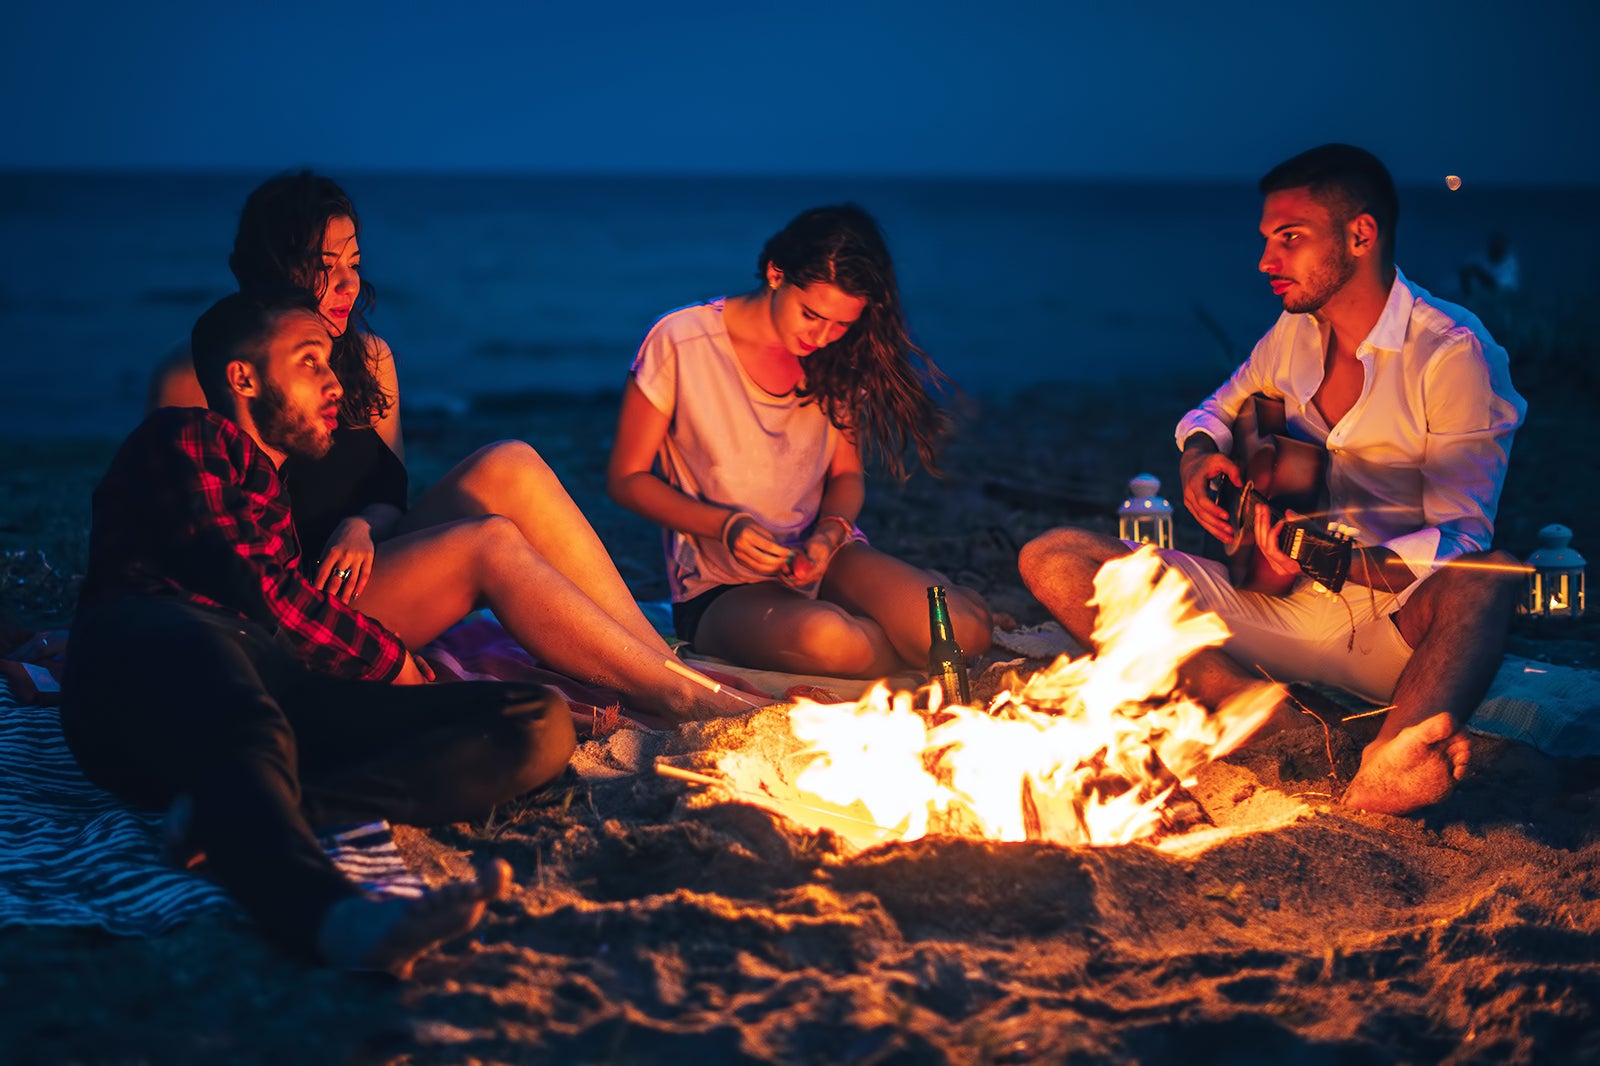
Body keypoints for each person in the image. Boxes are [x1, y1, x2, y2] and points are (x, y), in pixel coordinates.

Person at [62, 290, 578, 975]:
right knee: (245, 703)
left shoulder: (273, 501)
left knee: (533, 723)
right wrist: (394, 661)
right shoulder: (187, 435)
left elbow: (279, 618)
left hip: (263, 686)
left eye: (331, 363)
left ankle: (252, 814)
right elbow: (258, 594)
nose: (335, 380)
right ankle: (336, 918)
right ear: (245, 379)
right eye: (311, 362)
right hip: (154, 656)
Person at [1018, 145, 1527, 817]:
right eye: (1266, 240)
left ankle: (1389, 759)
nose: (1265, 262)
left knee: (1490, 579)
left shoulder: (1453, 353)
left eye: (1289, 239)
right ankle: (1249, 704)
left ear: (1360, 235)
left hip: (1391, 634)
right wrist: (1200, 460)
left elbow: (1459, 535)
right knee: (1055, 559)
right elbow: (1211, 413)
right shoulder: (1292, 333)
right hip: (1268, 602)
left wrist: (1323, 552)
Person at [150, 172, 749, 722]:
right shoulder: (204, 372)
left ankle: (668, 668)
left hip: (365, 572)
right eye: (321, 264)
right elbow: (190, 542)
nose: (345, 284)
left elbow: (390, 494)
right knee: (489, 542)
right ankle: (677, 697)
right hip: (290, 611)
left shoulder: (369, 359)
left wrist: (361, 524)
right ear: (275, 267)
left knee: (510, 462)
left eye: (353, 262)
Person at [607, 205, 992, 679]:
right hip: (723, 587)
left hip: (828, 559)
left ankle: (915, 617)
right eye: (812, 314)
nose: (823, 336)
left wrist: (830, 533)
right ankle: (904, 626)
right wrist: (727, 526)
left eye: (842, 324)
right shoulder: (681, 341)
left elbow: (847, 475)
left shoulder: (838, 360)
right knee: (833, 641)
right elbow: (627, 479)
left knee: (964, 633)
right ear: (775, 273)